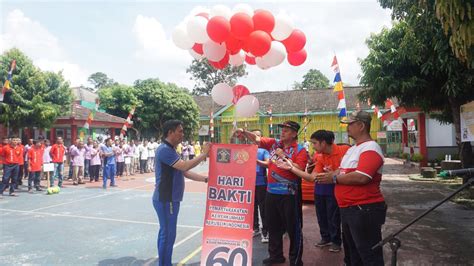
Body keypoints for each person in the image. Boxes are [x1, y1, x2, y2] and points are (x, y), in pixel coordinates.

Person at [314, 111, 387, 266]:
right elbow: (341, 171)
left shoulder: (371, 148)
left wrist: (333, 178)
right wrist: (330, 175)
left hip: (363, 209)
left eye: (350, 124)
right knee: (353, 253)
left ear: (361, 126)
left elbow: (362, 177)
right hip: (349, 209)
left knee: (368, 254)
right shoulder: (352, 149)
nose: (347, 128)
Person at [235, 121, 310, 266]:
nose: (282, 133)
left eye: (286, 131)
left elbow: (299, 169)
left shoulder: (300, 150)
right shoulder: (274, 144)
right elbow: (256, 139)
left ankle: (295, 260)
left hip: (289, 195)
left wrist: (283, 157)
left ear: (294, 134)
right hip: (271, 192)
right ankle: (275, 256)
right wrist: (244, 131)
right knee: (273, 226)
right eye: (282, 130)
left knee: (293, 228)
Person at [153, 119, 210, 266]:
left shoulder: (170, 149)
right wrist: (204, 154)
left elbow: (184, 172)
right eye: (180, 131)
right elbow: (184, 166)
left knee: (166, 233)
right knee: (168, 234)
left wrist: (205, 179)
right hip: (167, 199)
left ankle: (165, 263)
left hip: (170, 198)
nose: (182, 134)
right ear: (170, 132)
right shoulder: (165, 150)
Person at [282, 130, 349, 253]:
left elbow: (348, 169)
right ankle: (325, 238)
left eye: (314, 143)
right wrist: (291, 167)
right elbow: (312, 177)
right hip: (320, 190)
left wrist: (335, 173)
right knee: (321, 216)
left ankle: (335, 241)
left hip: (336, 190)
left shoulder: (344, 150)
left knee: (333, 217)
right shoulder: (320, 156)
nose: (313, 146)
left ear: (323, 143)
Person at [251, 129, 270, 243]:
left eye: (257, 135)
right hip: (249, 184)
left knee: (263, 209)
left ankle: (265, 231)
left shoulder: (264, 150)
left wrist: (256, 161)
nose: (255, 137)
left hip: (261, 183)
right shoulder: (246, 150)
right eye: (253, 135)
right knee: (252, 208)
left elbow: (268, 164)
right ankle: (255, 228)